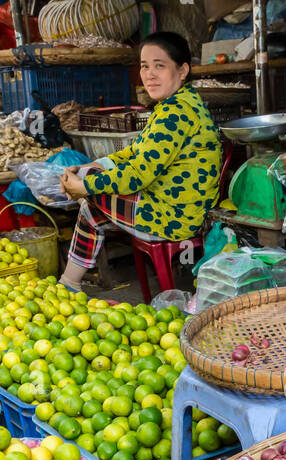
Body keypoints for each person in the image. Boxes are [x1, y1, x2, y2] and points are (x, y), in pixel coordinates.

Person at [58, 32, 223, 288]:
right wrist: (97, 164)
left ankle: (69, 283)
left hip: (175, 216)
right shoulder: (177, 103)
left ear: (182, 70)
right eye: (145, 66)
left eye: (160, 65)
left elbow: (137, 175)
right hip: (176, 207)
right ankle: (69, 282)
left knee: (90, 188)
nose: (150, 74)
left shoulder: (175, 114)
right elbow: (136, 151)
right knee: (90, 202)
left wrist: (83, 185)